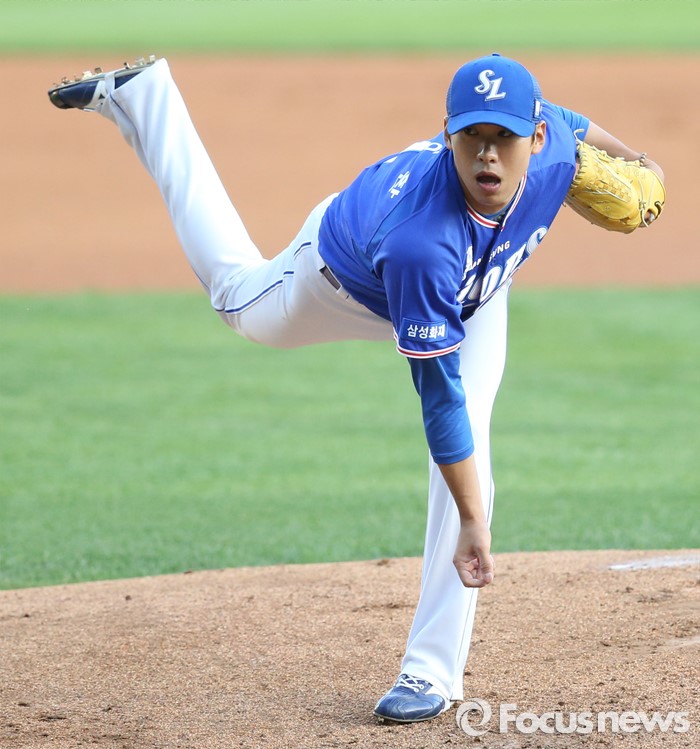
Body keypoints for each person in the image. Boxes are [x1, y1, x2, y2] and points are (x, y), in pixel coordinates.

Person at [48, 53, 664, 724]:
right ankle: (146, 99)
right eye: (472, 136)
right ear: (448, 134)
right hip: (339, 277)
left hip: (473, 287)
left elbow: (573, 121)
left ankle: (429, 672)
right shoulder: (421, 245)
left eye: (505, 137)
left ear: (536, 137)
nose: (488, 154)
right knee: (236, 301)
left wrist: (639, 160)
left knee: (472, 456)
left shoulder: (557, 152)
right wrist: (474, 522)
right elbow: (440, 400)